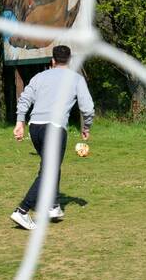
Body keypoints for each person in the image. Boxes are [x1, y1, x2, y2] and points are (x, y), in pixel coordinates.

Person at [10, 45, 94, 230]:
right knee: (49, 170)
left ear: (53, 61)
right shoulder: (76, 79)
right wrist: (86, 127)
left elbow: (25, 99)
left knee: (50, 166)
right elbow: (87, 108)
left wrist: (19, 122)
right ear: (70, 61)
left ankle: (52, 205)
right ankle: (22, 211)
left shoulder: (39, 77)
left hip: (35, 128)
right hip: (54, 129)